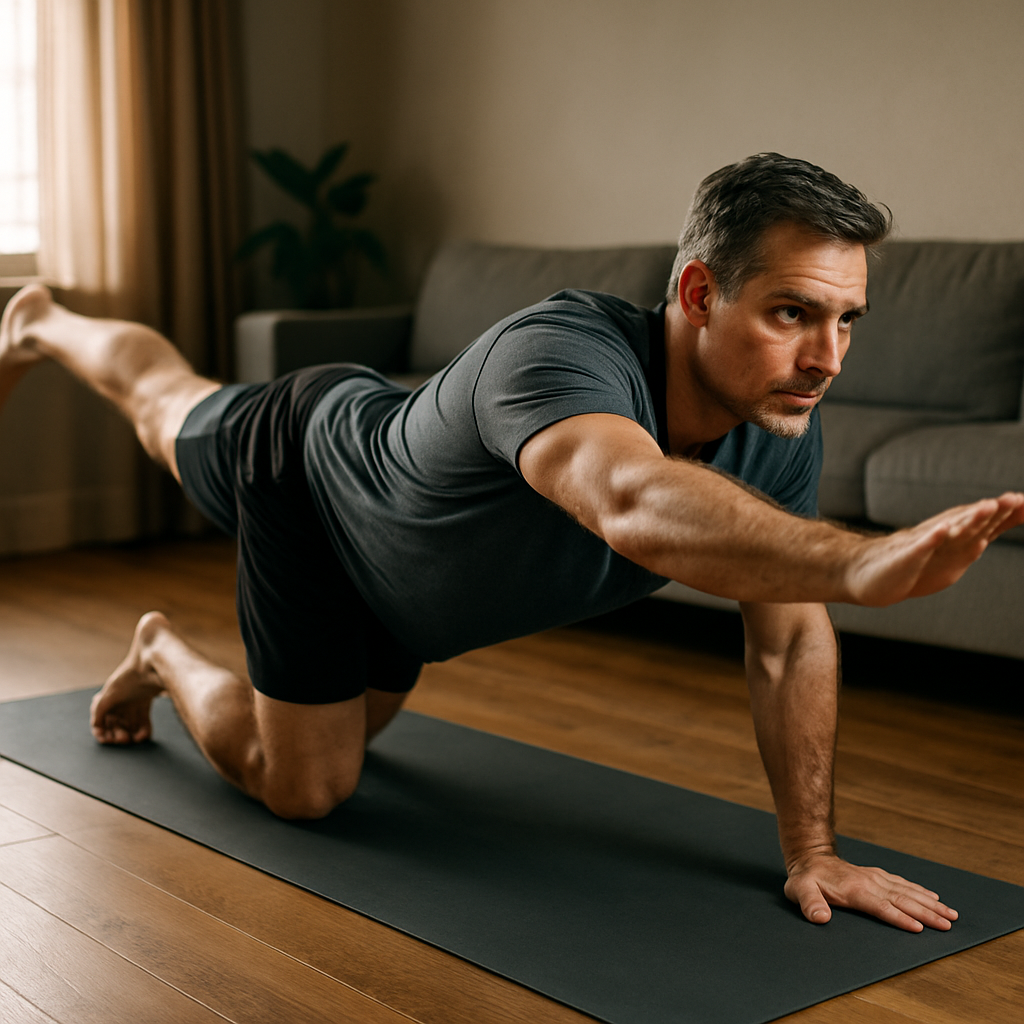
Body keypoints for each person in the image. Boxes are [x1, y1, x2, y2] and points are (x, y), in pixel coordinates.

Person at [2, 153, 1020, 935]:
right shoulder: (564, 350)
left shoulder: (775, 432)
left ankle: (159, 644)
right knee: (299, 774)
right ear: (700, 292)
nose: (825, 358)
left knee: (349, 744)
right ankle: (51, 343)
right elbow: (628, 496)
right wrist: (851, 560)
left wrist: (814, 849)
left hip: (403, 579)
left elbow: (788, 642)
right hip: (310, 475)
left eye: (848, 321)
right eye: (793, 313)